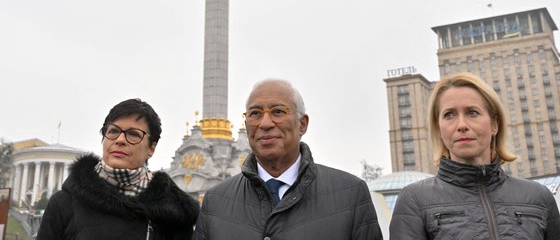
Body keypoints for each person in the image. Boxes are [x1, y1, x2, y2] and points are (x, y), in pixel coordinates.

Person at [193, 79, 383, 239]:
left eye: (278, 111)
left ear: (302, 124)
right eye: (255, 114)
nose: (265, 123)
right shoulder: (215, 202)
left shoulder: (350, 195)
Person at [390, 72, 560, 239]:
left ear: (495, 124)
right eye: (449, 115)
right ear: (439, 129)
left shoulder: (538, 197)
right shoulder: (414, 200)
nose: (461, 125)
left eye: (472, 112)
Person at [37, 98, 200, 239]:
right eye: (113, 131)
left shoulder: (174, 213)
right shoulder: (65, 203)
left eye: (133, 134)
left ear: (151, 148)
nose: (120, 140)